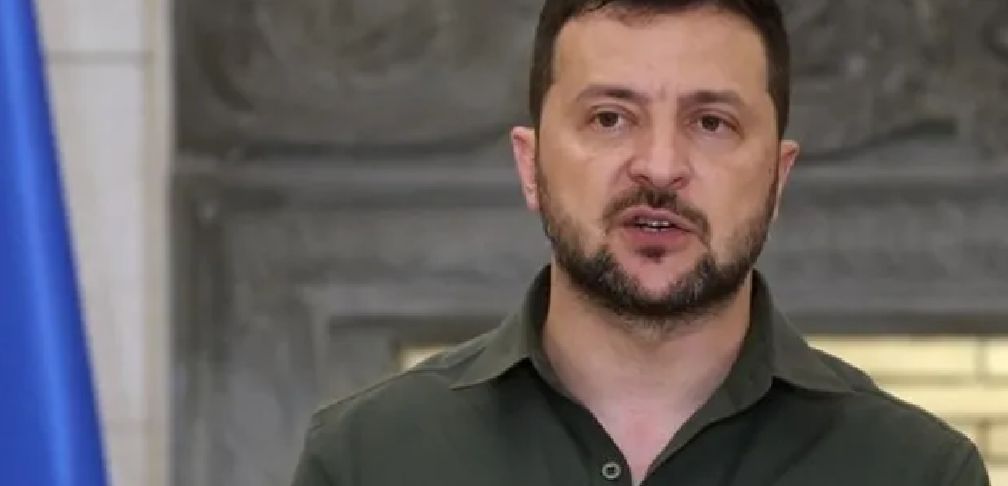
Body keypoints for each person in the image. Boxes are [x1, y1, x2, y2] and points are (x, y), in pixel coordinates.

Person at [290, 1, 991, 485]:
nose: (659, 167)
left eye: (711, 123)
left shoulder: (918, 472)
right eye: (609, 118)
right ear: (530, 165)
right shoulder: (366, 459)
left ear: (778, 179)